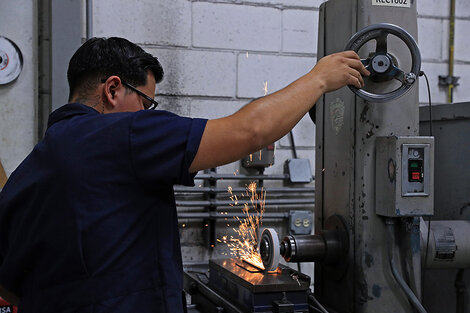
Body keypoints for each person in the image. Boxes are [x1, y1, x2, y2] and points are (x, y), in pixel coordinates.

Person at [0, 37, 368, 313]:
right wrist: (319, 79)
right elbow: (251, 131)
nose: (145, 114)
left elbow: (10, 283)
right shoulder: (122, 134)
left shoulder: (33, 167)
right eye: (145, 103)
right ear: (112, 89)